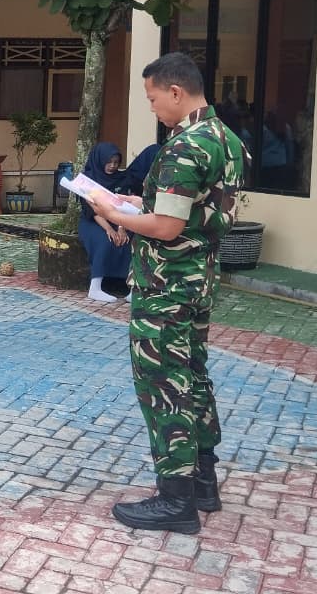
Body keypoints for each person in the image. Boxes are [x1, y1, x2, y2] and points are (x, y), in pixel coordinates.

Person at [91, 52, 248, 535]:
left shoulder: (184, 147)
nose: (153, 107)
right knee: (193, 374)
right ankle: (203, 481)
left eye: (153, 98)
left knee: (163, 381)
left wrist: (112, 211)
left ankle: (175, 498)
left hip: (167, 286)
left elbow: (164, 226)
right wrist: (139, 201)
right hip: (198, 279)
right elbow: (188, 210)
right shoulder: (226, 139)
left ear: (176, 92)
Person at [78, 142, 133, 303]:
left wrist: (121, 228)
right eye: (108, 162)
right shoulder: (88, 180)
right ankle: (95, 287)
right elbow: (91, 210)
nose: (112, 166)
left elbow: (125, 205)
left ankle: (132, 287)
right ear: (100, 160)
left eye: (116, 163)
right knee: (104, 241)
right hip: (94, 221)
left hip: (119, 219)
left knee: (131, 241)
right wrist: (110, 229)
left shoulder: (122, 178)